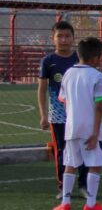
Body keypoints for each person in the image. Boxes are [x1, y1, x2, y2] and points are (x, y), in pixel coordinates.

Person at [51, 37, 102, 210]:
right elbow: (99, 107)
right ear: (95, 58)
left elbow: (63, 101)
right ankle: (91, 204)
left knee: (70, 164)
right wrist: (95, 134)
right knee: (95, 165)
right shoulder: (97, 76)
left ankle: (65, 204)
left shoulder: (68, 73)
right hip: (90, 129)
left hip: (71, 127)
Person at [37, 21, 88, 199]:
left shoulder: (80, 60)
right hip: (57, 116)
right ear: (53, 39)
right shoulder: (48, 61)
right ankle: (63, 187)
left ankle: (84, 185)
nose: (64, 39)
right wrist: (43, 115)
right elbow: (42, 89)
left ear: (73, 38)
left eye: (67, 36)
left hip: (80, 116)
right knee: (62, 151)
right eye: (60, 36)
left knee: (83, 149)